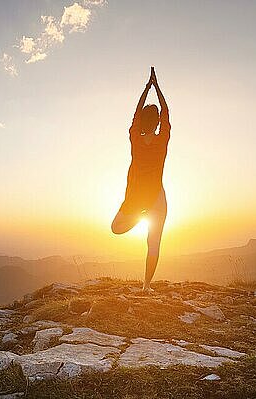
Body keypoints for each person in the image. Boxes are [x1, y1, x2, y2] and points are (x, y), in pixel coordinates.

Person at [111, 66, 170, 293]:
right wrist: (157, 87)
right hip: (157, 197)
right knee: (153, 244)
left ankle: (146, 287)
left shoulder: (135, 138)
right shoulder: (162, 139)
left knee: (116, 228)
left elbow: (135, 116)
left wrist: (146, 89)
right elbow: (166, 112)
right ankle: (146, 287)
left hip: (136, 198)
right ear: (156, 123)